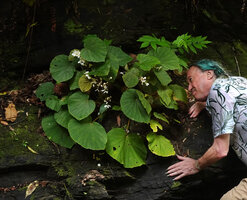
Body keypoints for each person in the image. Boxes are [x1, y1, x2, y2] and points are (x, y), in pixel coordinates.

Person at [166, 59, 247, 199]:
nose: (189, 87)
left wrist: (196, 165)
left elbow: (220, 150)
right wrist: (205, 103)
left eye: (191, 80)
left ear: (209, 74)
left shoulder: (217, 92)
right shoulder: (237, 82)